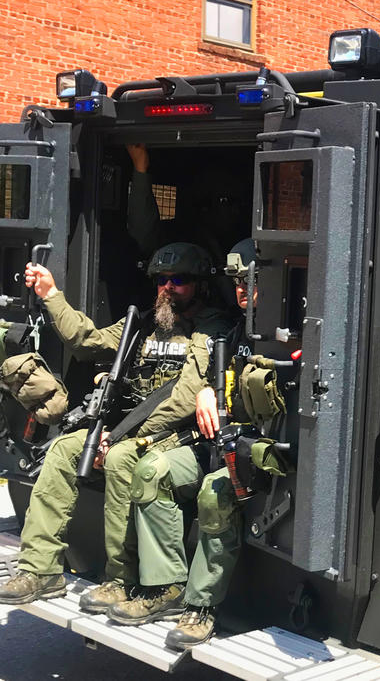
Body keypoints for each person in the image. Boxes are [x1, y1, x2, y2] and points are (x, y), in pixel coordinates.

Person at [0, 243, 231, 614]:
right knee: (62, 450)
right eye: (161, 280)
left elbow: (186, 397)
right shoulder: (142, 323)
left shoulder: (211, 328)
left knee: (122, 457)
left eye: (180, 280)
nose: (168, 287)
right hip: (126, 428)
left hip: (172, 436)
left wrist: (121, 434)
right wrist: (51, 295)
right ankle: (40, 569)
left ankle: (120, 580)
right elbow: (87, 340)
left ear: (201, 285)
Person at [110, 239, 290, 645]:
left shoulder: (287, 335)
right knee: (151, 471)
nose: (243, 291)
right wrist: (207, 391)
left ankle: (201, 607)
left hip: (260, 457)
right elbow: (210, 377)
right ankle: (167, 585)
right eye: (237, 283)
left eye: (251, 282)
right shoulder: (233, 328)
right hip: (218, 447)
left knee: (213, 494)